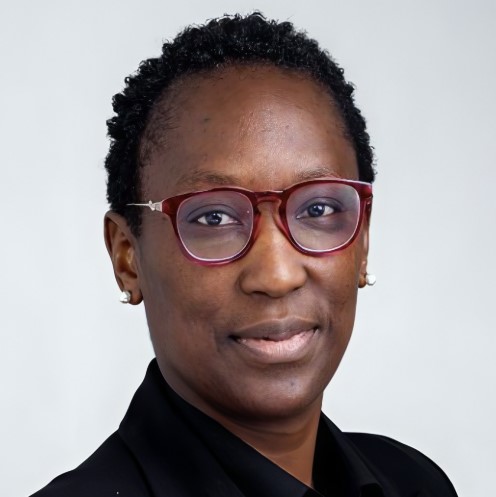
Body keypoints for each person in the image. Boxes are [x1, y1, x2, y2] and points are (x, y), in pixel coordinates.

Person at [32, 12, 458, 497]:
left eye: (318, 208)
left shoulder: (414, 481)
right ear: (127, 258)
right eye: (214, 217)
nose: (277, 275)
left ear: (362, 240)